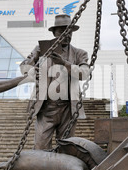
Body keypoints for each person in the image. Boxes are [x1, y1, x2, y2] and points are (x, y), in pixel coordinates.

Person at [20, 14, 89, 150]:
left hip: (67, 109)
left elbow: (84, 74)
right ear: (54, 33)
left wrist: (64, 63)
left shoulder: (79, 54)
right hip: (46, 108)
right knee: (40, 146)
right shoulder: (41, 50)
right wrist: (33, 64)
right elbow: (24, 69)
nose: (66, 35)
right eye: (62, 31)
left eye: (69, 32)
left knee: (66, 148)